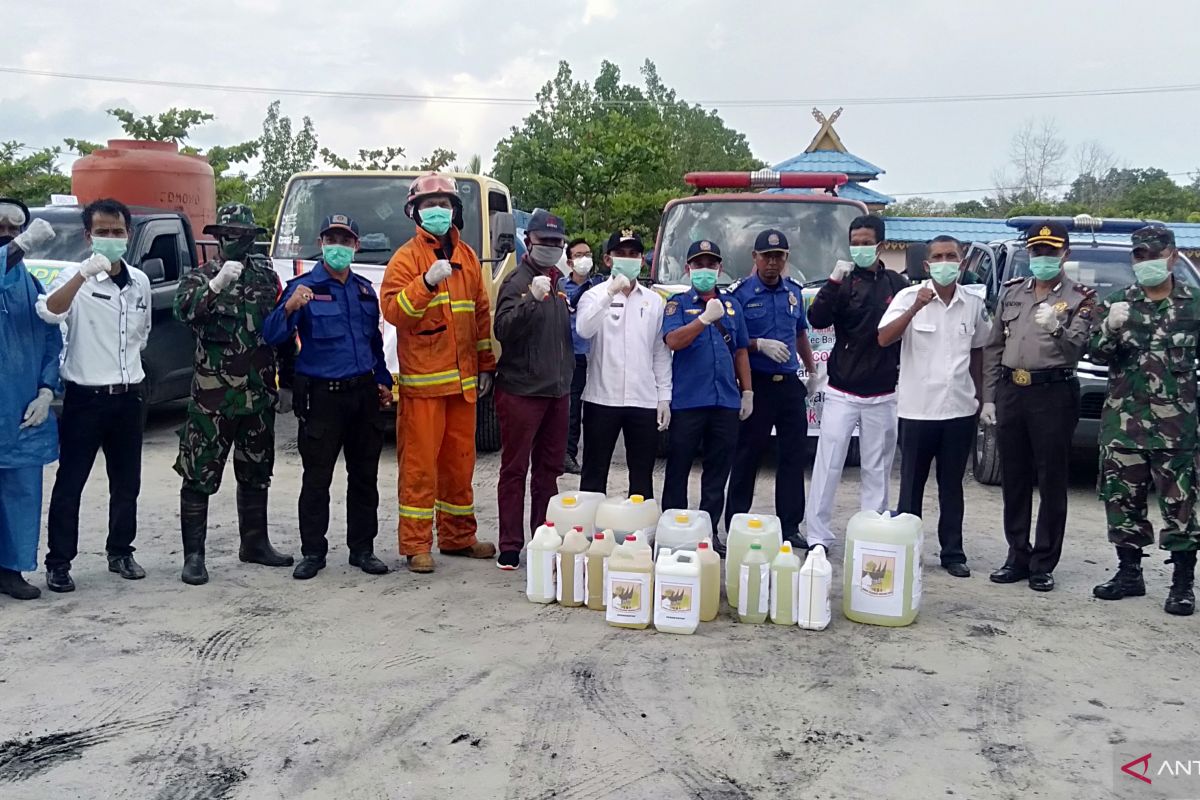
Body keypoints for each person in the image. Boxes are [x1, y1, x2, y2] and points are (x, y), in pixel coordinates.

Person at [263, 214, 392, 580]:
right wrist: (290, 308)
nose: (339, 247)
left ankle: (362, 549)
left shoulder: (365, 291)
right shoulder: (302, 287)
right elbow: (271, 335)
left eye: (346, 240)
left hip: (363, 395)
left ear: (356, 246)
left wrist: (382, 380)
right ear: (322, 243)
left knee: (364, 476)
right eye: (332, 239)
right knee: (316, 479)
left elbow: (374, 345)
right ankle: (313, 553)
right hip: (322, 398)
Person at [172, 204, 295, 586]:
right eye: (227, 233)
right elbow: (184, 312)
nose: (234, 240)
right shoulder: (200, 276)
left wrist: (288, 381)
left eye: (241, 234)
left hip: (257, 395)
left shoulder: (267, 277)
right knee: (199, 473)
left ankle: (254, 544)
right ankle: (194, 556)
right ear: (217, 236)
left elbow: (281, 328)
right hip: (213, 398)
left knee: (257, 470)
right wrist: (215, 286)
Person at [380, 173, 497, 574]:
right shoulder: (406, 259)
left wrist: (486, 367)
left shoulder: (465, 256)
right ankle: (415, 545)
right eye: (430, 206)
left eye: (444, 205)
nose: (438, 212)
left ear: (454, 210)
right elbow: (395, 313)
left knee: (458, 466)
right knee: (419, 469)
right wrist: (425, 284)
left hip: (462, 386)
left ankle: (458, 536)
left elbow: (480, 317)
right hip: (424, 389)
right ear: (414, 211)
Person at [37, 198, 151, 592]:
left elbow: (142, 334)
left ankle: (120, 551)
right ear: (88, 236)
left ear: (128, 234)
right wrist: (82, 277)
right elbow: (49, 312)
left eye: (117, 231)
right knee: (70, 483)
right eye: (101, 231)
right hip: (86, 398)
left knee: (127, 483)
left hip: (128, 397)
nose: (110, 238)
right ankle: (59, 562)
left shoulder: (140, 282)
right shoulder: (75, 276)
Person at [981, 220, 1096, 592]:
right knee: (1013, 476)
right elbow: (994, 346)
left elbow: (1077, 349)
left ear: (1065, 253)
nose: (1042, 257)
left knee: (1051, 478)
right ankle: (1017, 554)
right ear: (1029, 253)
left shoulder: (1082, 298)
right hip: (1013, 390)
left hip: (1054, 392)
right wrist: (989, 397)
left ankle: (1044, 561)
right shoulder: (1013, 292)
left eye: (1050, 250)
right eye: (1036, 251)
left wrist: (1057, 329)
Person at [1089, 225, 1197, 616]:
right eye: (1139, 255)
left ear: (1171, 254)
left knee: (1180, 506)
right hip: (1125, 425)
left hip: (1177, 428)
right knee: (1122, 502)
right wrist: (1109, 328)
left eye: (1154, 253)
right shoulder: (1118, 302)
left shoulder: (1194, 304)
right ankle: (1129, 574)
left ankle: (1183, 584)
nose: (1146, 261)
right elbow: (1095, 353)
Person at [878, 236, 989, 577]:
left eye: (951, 256)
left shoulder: (972, 302)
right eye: (938, 257)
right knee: (911, 485)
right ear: (926, 265)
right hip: (917, 410)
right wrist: (915, 308)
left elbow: (979, 350)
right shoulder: (908, 297)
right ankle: (909, 550)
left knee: (952, 485)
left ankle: (953, 552)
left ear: (962, 262)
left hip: (958, 408)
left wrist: (983, 399)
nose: (945, 262)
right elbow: (883, 337)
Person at [806, 215, 909, 554]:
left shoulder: (897, 284)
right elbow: (817, 319)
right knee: (829, 464)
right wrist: (832, 283)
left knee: (877, 468)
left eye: (866, 242)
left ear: (880, 244)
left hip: (883, 392)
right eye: (855, 242)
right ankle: (818, 535)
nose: (860, 248)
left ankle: (871, 533)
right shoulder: (844, 283)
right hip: (842, 391)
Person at [725, 230, 818, 551]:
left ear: (786, 259)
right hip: (757, 385)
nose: (773, 262)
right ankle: (736, 521)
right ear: (755, 257)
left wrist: (813, 370)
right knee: (747, 456)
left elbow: (801, 333)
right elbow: (731, 340)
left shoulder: (793, 293)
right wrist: (758, 344)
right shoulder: (740, 294)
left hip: (789, 385)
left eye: (779, 256)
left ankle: (790, 526)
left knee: (793, 458)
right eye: (767, 256)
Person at [493, 210, 575, 570]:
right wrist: (530, 301)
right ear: (530, 241)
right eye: (546, 242)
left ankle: (543, 537)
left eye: (558, 243)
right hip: (522, 391)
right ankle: (510, 545)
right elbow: (503, 330)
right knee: (514, 470)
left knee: (548, 472)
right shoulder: (517, 281)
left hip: (557, 392)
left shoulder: (559, 281)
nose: (552, 248)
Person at [662, 240, 752, 548]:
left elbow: (740, 350)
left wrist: (748, 391)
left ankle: (708, 532)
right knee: (678, 468)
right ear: (688, 269)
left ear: (720, 269)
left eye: (710, 265)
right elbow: (673, 341)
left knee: (717, 473)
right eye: (698, 265)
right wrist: (702, 320)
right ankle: (674, 529)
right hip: (689, 400)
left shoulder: (732, 305)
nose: (705, 270)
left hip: (725, 400)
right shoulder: (676, 303)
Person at [575, 229, 672, 498]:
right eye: (621, 254)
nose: (627, 259)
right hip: (601, 399)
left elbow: (660, 353)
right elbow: (584, 329)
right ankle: (589, 535)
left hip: (643, 400)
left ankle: (639, 536)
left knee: (642, 477)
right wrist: (610, 293)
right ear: (608, 259)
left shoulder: (654, 302)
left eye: (633, 254)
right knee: (594, 475)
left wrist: (664, 397)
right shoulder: (593, 296)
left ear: (642, 261)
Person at [0, 201, 61, 600]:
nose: (7, 229)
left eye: (15, 225)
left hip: (20, 409)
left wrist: (45, 389)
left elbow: (49, 339)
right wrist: (17, 246)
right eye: (1, 223)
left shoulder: (31, 283)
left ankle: (11, 569)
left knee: (22, 492)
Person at [559, 237, 603, 474]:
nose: (584, 259)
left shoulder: (602, 286)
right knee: (572, 407)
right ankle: (568, 454)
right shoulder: (560, 287)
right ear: (569, 261)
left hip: (598, 355)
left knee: (596, 410)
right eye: (578, 255)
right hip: (573, 354)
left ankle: (595, 457)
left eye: (587, 254)